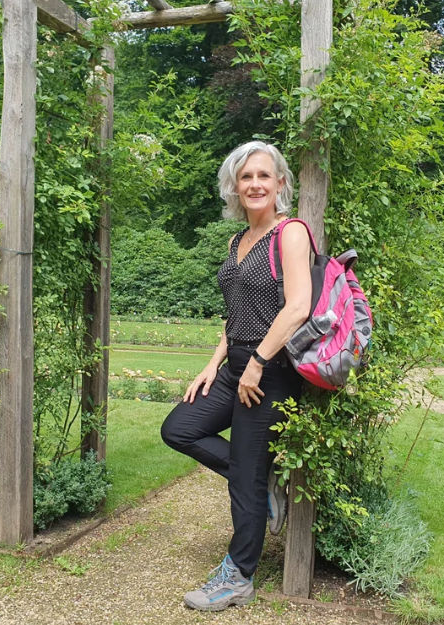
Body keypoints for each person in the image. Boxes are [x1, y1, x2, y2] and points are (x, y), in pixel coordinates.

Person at [160, 141, 312, 611]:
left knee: (243, 478)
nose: (255, 184)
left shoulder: (290, 233)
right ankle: (261, 481)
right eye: (246, 177)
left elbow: (298, 307)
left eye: (264, 176)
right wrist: (213, 364)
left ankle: (239, 576)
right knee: (179, 428)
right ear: (234, 186)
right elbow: (236, 315)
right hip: (237, 364)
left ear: (280, 183)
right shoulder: (236, 242)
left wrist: (259, 363)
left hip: (272, 369)